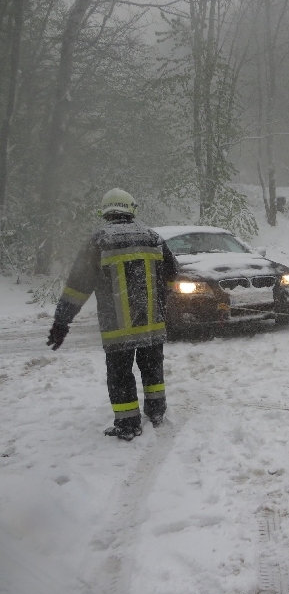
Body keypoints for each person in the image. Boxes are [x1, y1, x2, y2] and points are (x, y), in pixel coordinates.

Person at [47, 189, 179, 441]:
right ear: (132, 209)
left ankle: (128, 425)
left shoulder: (99, 241)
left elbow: (78, 286)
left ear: (105, 212)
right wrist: (161, 298)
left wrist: (61, 321)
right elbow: (172, 272)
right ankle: (156, 411)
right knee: (152, 368)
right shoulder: (152, 237)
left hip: (118, 326)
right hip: (151, 322)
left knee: (120, 375)